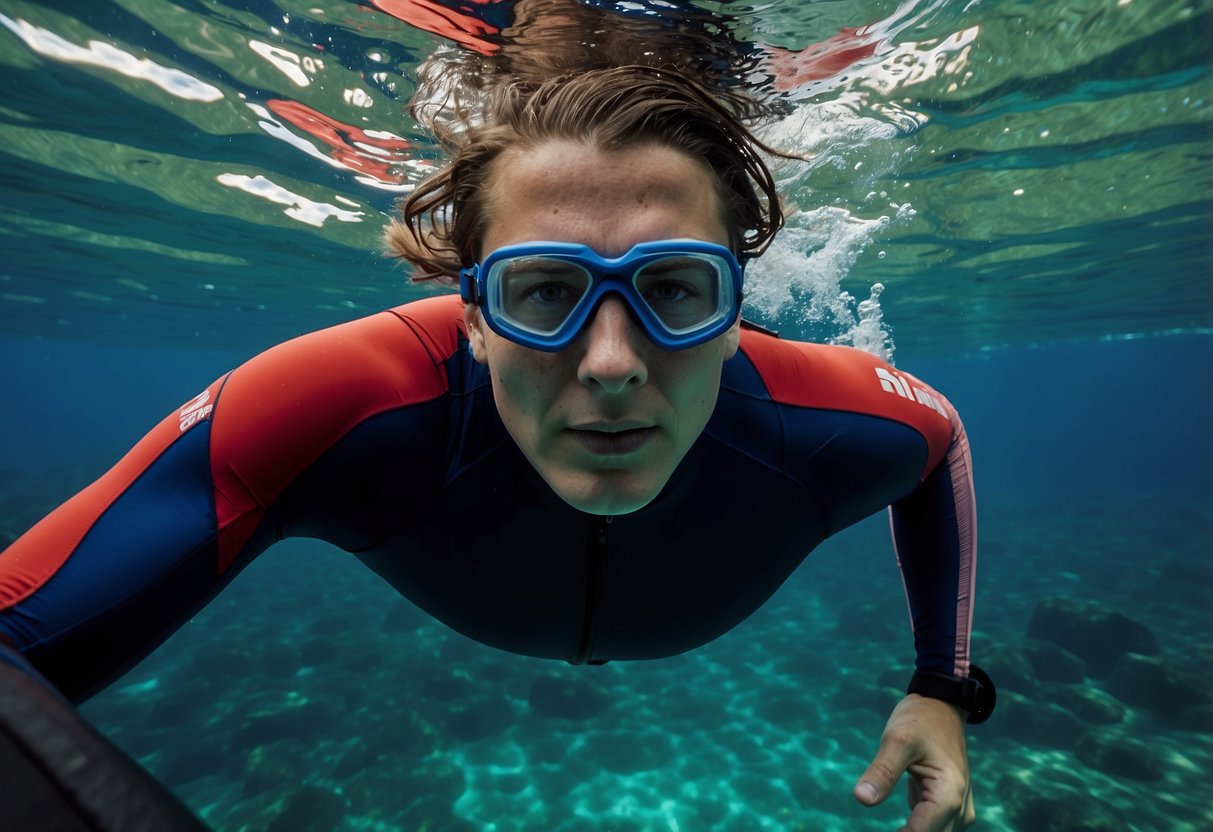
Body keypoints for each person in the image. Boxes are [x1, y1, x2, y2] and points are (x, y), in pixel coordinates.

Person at [0, 65, 992, 831]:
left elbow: (938, 432)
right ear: (469, 312)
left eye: (676, 291)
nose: (610, 363)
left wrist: (942, 685)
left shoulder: (816, 415)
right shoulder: (346, 400)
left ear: (737, 311)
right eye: (546, 293)